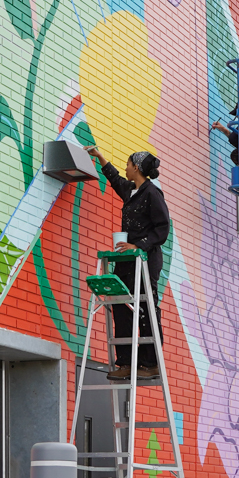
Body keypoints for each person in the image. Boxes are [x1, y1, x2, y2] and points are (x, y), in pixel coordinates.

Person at [84, 146, 169, 381]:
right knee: (121, 307)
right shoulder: (133, 191)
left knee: (144, 309)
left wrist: (139, 245)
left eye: (128, 164)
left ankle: (149, 363)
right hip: (127, 262)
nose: (126, 167)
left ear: (137, 168)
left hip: (145, 260)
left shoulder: (153, 193)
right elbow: (115, 180)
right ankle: (125, 363)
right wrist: (100, 157)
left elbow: (162, 230)